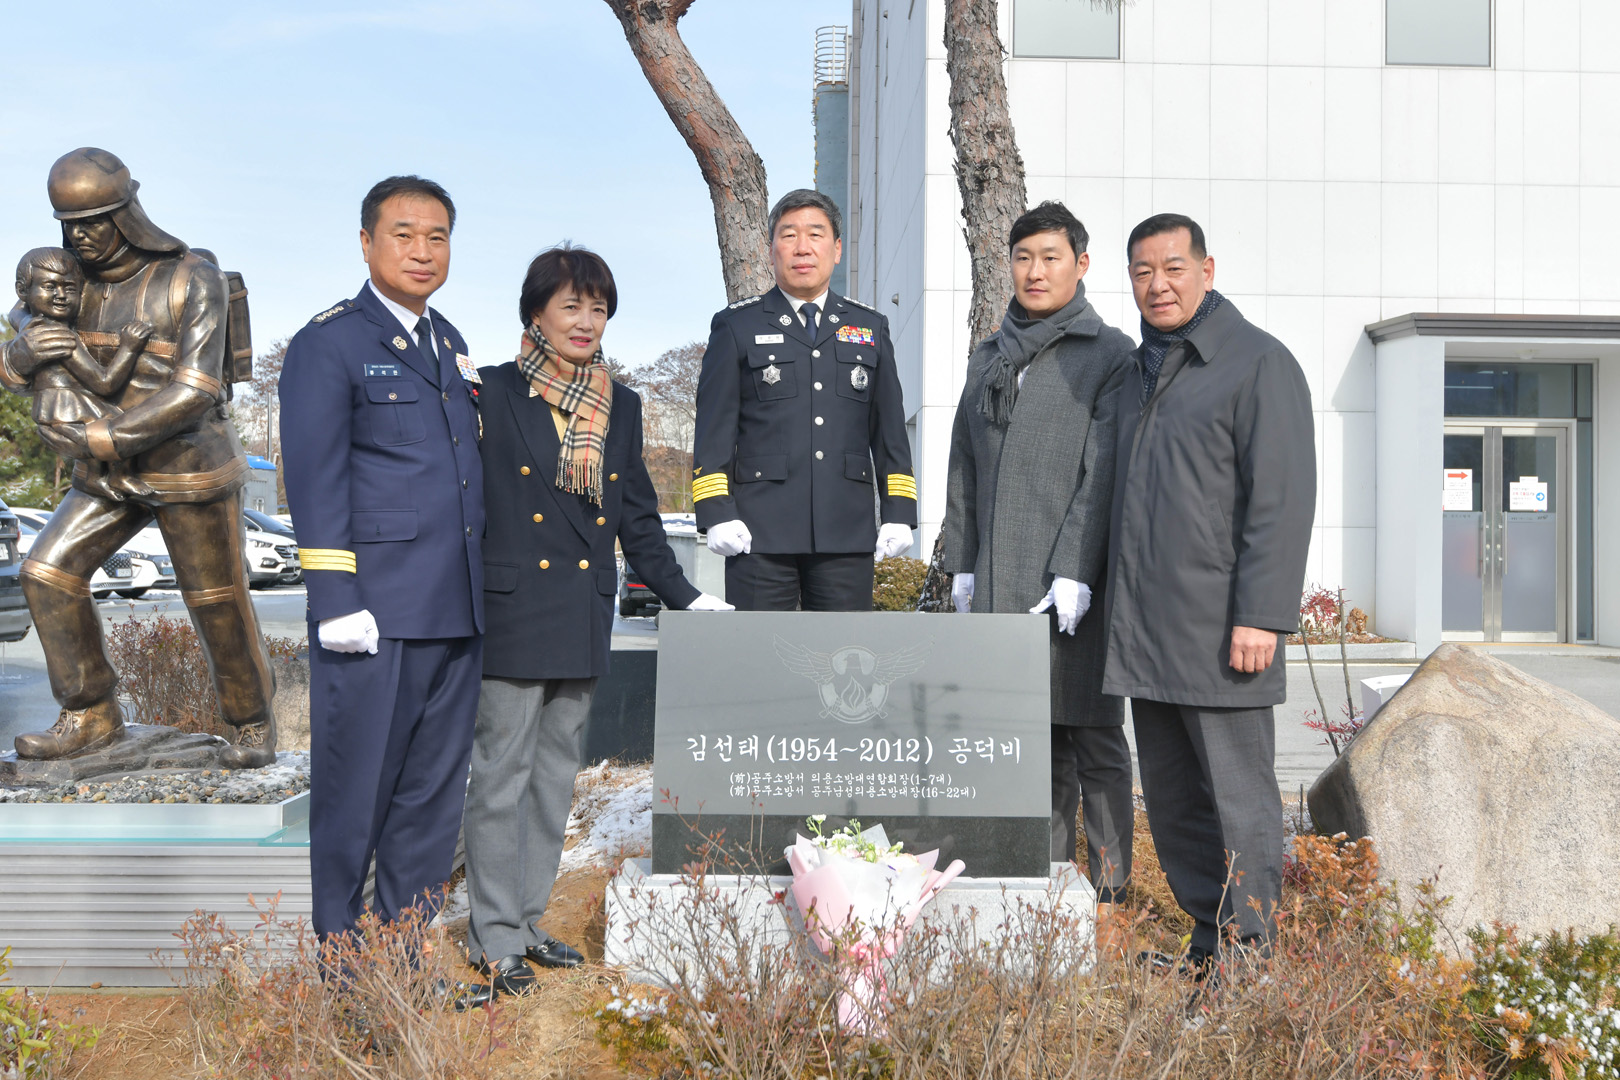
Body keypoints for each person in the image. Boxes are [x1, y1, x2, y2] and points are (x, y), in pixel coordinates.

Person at [464, 244, 730, 997]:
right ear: (536, 314)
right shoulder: (490, 391)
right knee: (500, 778)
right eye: (571, 305)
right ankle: (492, 937)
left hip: (580, 612)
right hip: (511, 611)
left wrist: (686, 596)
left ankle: (524, 921)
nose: (586, 321)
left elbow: (638, 518)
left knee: (554, 779)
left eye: (599, 308)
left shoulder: (623, 403)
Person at [1, 147, 276, 767]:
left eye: (94, 221)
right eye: (70, 224)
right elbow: (21, 350)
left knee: (216, 599)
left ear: (127, 213)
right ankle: (91, 712)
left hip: (186, 465)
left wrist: (105, 437)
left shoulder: (190, 278)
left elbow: (196, 389)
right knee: (46, 573)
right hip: (106, 475)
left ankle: (250, 723)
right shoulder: (63, 280)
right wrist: (16, 359)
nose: (81, 236)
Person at [279, 177, 487, 973]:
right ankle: (343, 978)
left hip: (453, 610)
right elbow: (315, 477)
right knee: (353, 800)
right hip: (373, 617)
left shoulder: (449, 341)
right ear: (366, 243)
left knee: (429, 803)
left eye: (437, 236)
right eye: (404, 234)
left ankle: (399, 971)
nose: (422, 251)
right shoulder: (330, 342)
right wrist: (334, 597)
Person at [1101, 213, 1316, 966]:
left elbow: (1281, 501)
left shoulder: (1257, 363)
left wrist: (1262, 615)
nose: (1157, 285)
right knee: (1175, 802)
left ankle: (1251, 957)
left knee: (1239, 802)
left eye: (1173, 268)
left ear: (1207, 270)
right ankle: (1208, 943)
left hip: (1225, 632)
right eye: (1142, 272)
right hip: (1147, 633)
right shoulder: (1136, 371)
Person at [940, 200, 1135, 934]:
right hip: (999, 578)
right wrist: (961, 562)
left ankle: (1110, 891)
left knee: (1093, 735)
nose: (1035, 271)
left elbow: (1103, 468)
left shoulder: (1108, 353)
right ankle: (1044, 886)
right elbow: (964, 463)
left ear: (1080, 265)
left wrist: (1075, 567)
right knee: (1031, 738)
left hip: (1072, 584)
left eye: (1051, 257)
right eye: (1023, 257)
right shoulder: (991, 355)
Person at [691, 188, 916, 611]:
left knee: (843, 651)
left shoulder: (870, 327)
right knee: (759, 651)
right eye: (789, 235)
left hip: (846, 531)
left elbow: (889, 433)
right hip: (757, 534)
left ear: (837, 249)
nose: (802, 247)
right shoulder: (737, 326)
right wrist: (716, 511)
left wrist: (899, 511)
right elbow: (713, 433)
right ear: (771, 250)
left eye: (815, 234)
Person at [11, 246, 152, 501]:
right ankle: (114, 477)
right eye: (50, 286)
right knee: (121, 428)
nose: (61, 295)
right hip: (68, 411)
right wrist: (129, 348)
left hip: (57, 409)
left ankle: (101, 476)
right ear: (23, 290)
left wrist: (24, 320)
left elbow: (15, 312)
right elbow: (104, 382)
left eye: (70, 288)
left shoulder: (29, 324)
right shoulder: (61, 337)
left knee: (106, 431)